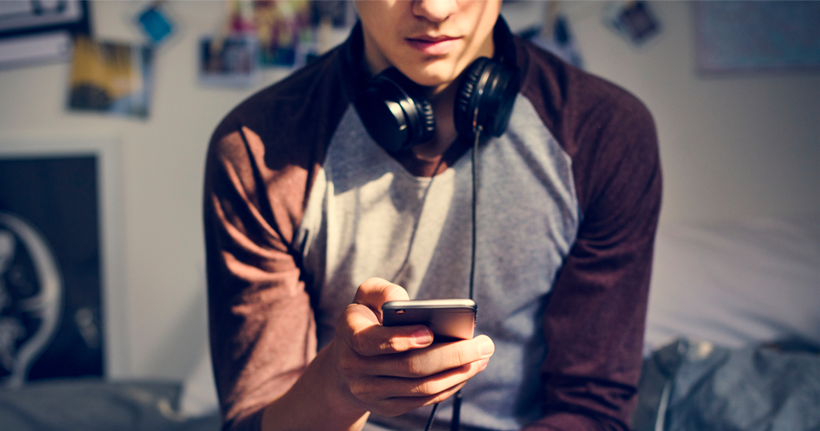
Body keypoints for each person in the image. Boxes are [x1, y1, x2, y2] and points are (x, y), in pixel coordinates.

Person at [203, 1, 662, 430]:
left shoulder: (607, 133)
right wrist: (341, 385)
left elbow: (591, 409)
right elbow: (257, 418)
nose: (435, 8)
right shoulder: (256, 148)